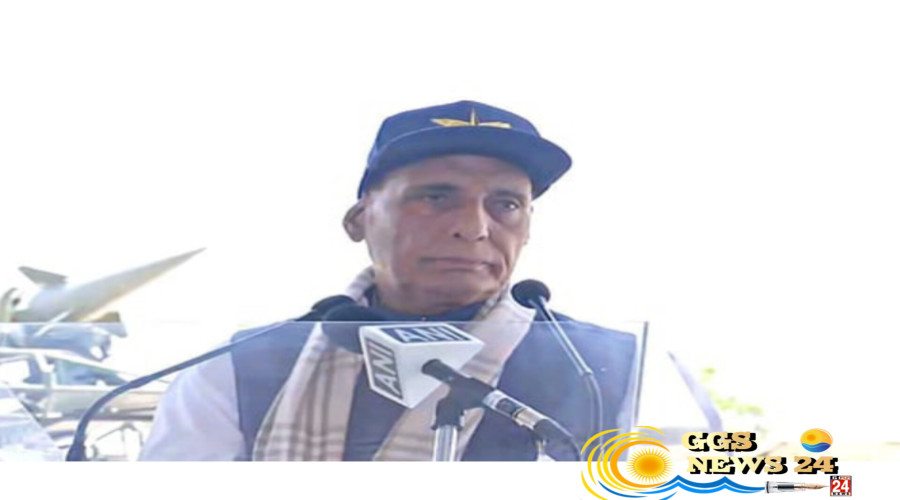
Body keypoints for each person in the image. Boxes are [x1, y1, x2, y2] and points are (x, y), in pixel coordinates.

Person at [139, 100, 637, 461]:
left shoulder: (616, 370)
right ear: (358, 220)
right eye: (437, 197)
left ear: (527, 228)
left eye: (505, 204)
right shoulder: (236, 369)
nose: (475, 227)